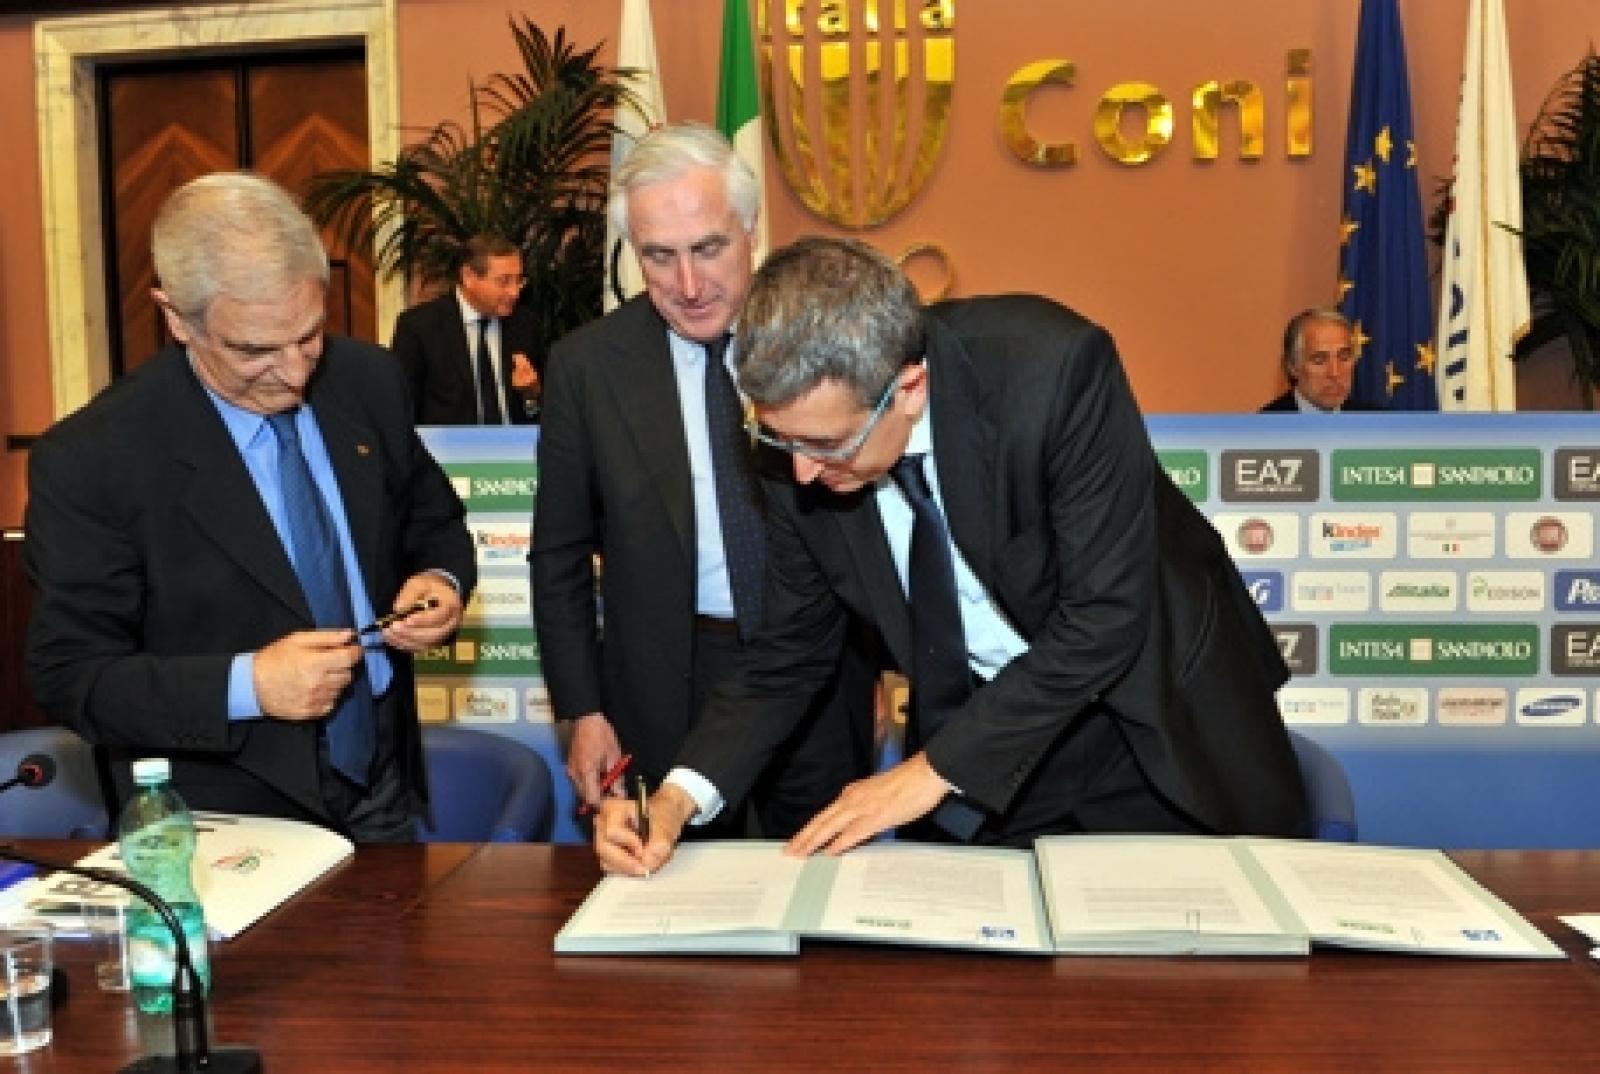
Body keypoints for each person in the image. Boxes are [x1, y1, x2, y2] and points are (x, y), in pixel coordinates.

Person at [596, 236, 1308, 875]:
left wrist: (925, 772)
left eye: (828, 445)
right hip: (990, 741)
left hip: (1150, 719)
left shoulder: (1052, 370)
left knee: (1202, 962)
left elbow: (1105, 616)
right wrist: (677, 797)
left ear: (908, 388)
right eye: (783, 441)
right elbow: (789, 652)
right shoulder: (795, 447)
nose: (803, 473)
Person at [24, 171, 476, 841]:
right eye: (255, 349)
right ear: (176, 317)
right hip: (224, 812)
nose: (295, 372)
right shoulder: (95, 457)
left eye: (310, 335)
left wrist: (439, 581)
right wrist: (249, 685)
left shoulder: (368, 380)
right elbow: (73, 676)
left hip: (379, 777)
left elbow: (432, 519)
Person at [531, 124, 876, 838]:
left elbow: (867, 512)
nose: (688, 286)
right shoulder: (588, 367)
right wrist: (584, 709)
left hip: (814, 672)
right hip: (665, 682)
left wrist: (875, 663)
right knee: (678, 881)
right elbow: (559, 553)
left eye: (708, 249)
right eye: (659, 257)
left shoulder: (823, 342)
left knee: (820, 876)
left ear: (751, 230)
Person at [390, 234, 542, 424]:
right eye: (504, 281)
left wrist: (531, 394)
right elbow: (402, 409)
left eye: (519, 280)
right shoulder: (420, 327)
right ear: (468, 276)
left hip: (515, 442)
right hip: (444, 443)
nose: (515, 292)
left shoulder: (524, 324)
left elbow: (537, 413)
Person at [1260, 307, 1383, 412]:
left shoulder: (1378, 424)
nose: (1334, 373)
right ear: (1293, 367)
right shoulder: (1264, 428)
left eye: (1344, 358)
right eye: (1319, 360)